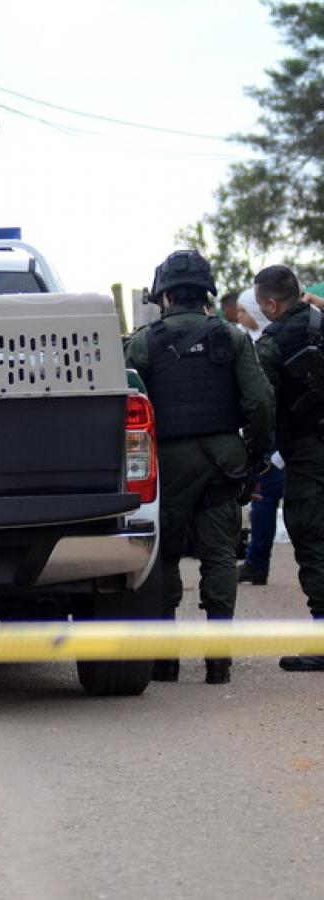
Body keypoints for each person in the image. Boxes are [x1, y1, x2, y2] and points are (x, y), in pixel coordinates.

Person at [125, 250, 274, 685]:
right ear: (206, 294)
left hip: (168, 459)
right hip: (223, 458)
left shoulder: (143, 341)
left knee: (165, 553)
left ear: (164, 296)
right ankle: (218, 661)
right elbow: (261, 404)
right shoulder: (232, 338)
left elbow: (128, 406)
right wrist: (255, 456)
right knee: (220, 553)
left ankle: (166, 661)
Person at [254, 265, 324, 671]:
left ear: (272, 303)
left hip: (309, 455)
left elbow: (261, 404)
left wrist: (259, 456)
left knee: (313, 537)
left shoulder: (273, 341)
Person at [234, 287, 284, 585]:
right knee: (262, 500)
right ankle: (256, 561)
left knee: (265, 497)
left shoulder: (268, 345)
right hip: (269, 433)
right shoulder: (245, 342)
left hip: (279, 433)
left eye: (243, 309)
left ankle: (256, 562)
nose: (239, 315)